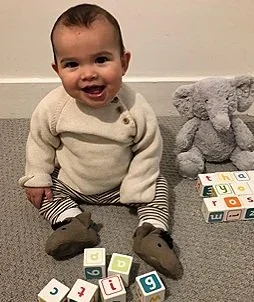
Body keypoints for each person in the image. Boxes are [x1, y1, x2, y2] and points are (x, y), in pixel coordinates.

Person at [18, 3, 182, 279]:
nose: (88, 73)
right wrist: (37, 176)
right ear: (57, 69)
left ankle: (151, 232)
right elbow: (39, 142)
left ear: (124, 62)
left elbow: (149, 148)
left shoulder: (135, 107)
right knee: (42, 191)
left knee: (160, 185)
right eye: (72, 64)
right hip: (72, 181)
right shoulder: (53, 107)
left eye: (101, 60)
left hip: (122, 184)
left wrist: (138, 184)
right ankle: (71, 222)